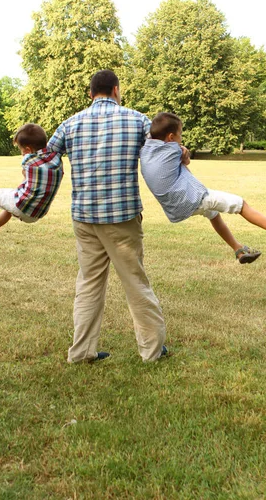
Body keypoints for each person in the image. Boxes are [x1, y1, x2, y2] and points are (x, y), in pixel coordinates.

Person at [48, 69, 166, 363]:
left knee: (88, 283)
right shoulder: (138, 119)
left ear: (91, 94)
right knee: (135, 281)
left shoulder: (69, 124)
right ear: (116, 90)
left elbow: (47, 158)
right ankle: (151, 351)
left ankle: (81, 352)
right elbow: (163, 147)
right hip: (122, 216)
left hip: (84, 216)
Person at [140, 112, 266, 264]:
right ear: (170, 137)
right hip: (192, 198)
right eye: (180, 135)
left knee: (214, 215)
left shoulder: (146, 149)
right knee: (240, 204)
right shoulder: (173, 149)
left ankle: (238, 249)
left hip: (176, 206)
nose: (181, 139)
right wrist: (182, 150)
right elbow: (186, 158)